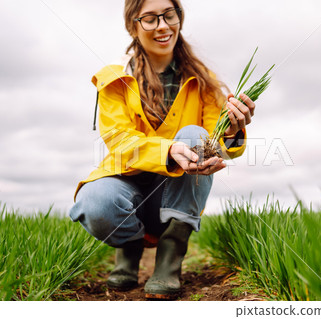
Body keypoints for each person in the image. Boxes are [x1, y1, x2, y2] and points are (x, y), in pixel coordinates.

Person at [69, 0, 256, 300]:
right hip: (127, 184)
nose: (162, 26)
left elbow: (221, 146)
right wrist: (169, 151)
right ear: (133, 26)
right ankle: (129, 247)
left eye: (169, 15)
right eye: (150, 19)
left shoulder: (204, 83)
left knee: (196, 136)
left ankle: (170, 257)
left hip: (175, 194)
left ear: (179, 19)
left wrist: (232, 131)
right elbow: (119, 139)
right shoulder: (114, 81)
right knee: (96, 204)